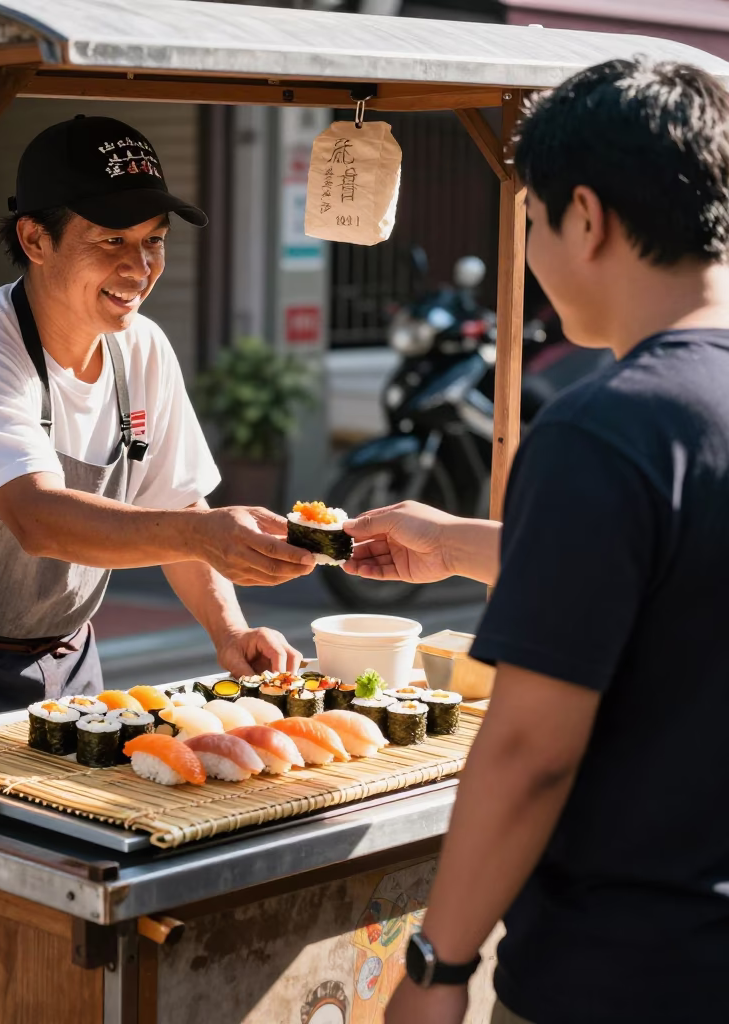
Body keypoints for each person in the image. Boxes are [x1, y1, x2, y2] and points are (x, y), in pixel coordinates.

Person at [344, 60, 729, 1024]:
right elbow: (676, 572)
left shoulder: (605, 428)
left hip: (625, 974)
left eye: (530, 222)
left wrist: (437, 967)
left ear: (586, 219)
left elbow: (527, 750)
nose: (527, 251)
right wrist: (455, 542)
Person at [0, 115, 313, 715]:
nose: (140, 267)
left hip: (69, 663)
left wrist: (230, 632)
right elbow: (40, 519)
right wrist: (205, 536)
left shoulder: (143, 348)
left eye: (154, 239)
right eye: (112, 240)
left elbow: (174, 504)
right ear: (36, 240)